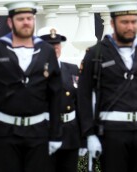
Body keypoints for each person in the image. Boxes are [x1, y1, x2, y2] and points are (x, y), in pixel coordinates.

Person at [77, 2, 137, 172]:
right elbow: (84, 96)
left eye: (133, 22)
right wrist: (88, 134)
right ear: (112, 23)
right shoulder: (96, 54)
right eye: (124, 22)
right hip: (113, 132)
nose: (130, 27)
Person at [0, 1, 62, 172]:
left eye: (29, 18)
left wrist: (55, 134)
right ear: (10, 22)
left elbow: (55, 94)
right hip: (4, 132)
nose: (26, 22)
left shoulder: (46, 50)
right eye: (21, 18)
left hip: (38, 132)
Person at [38, 26, 86, 172]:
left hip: (69, 134)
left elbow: (80, 104)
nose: (55, 48)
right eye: (50, 45)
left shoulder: (71, 69)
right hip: (44, 132)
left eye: (57, 44)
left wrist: (84, 137)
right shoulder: (34, 70)